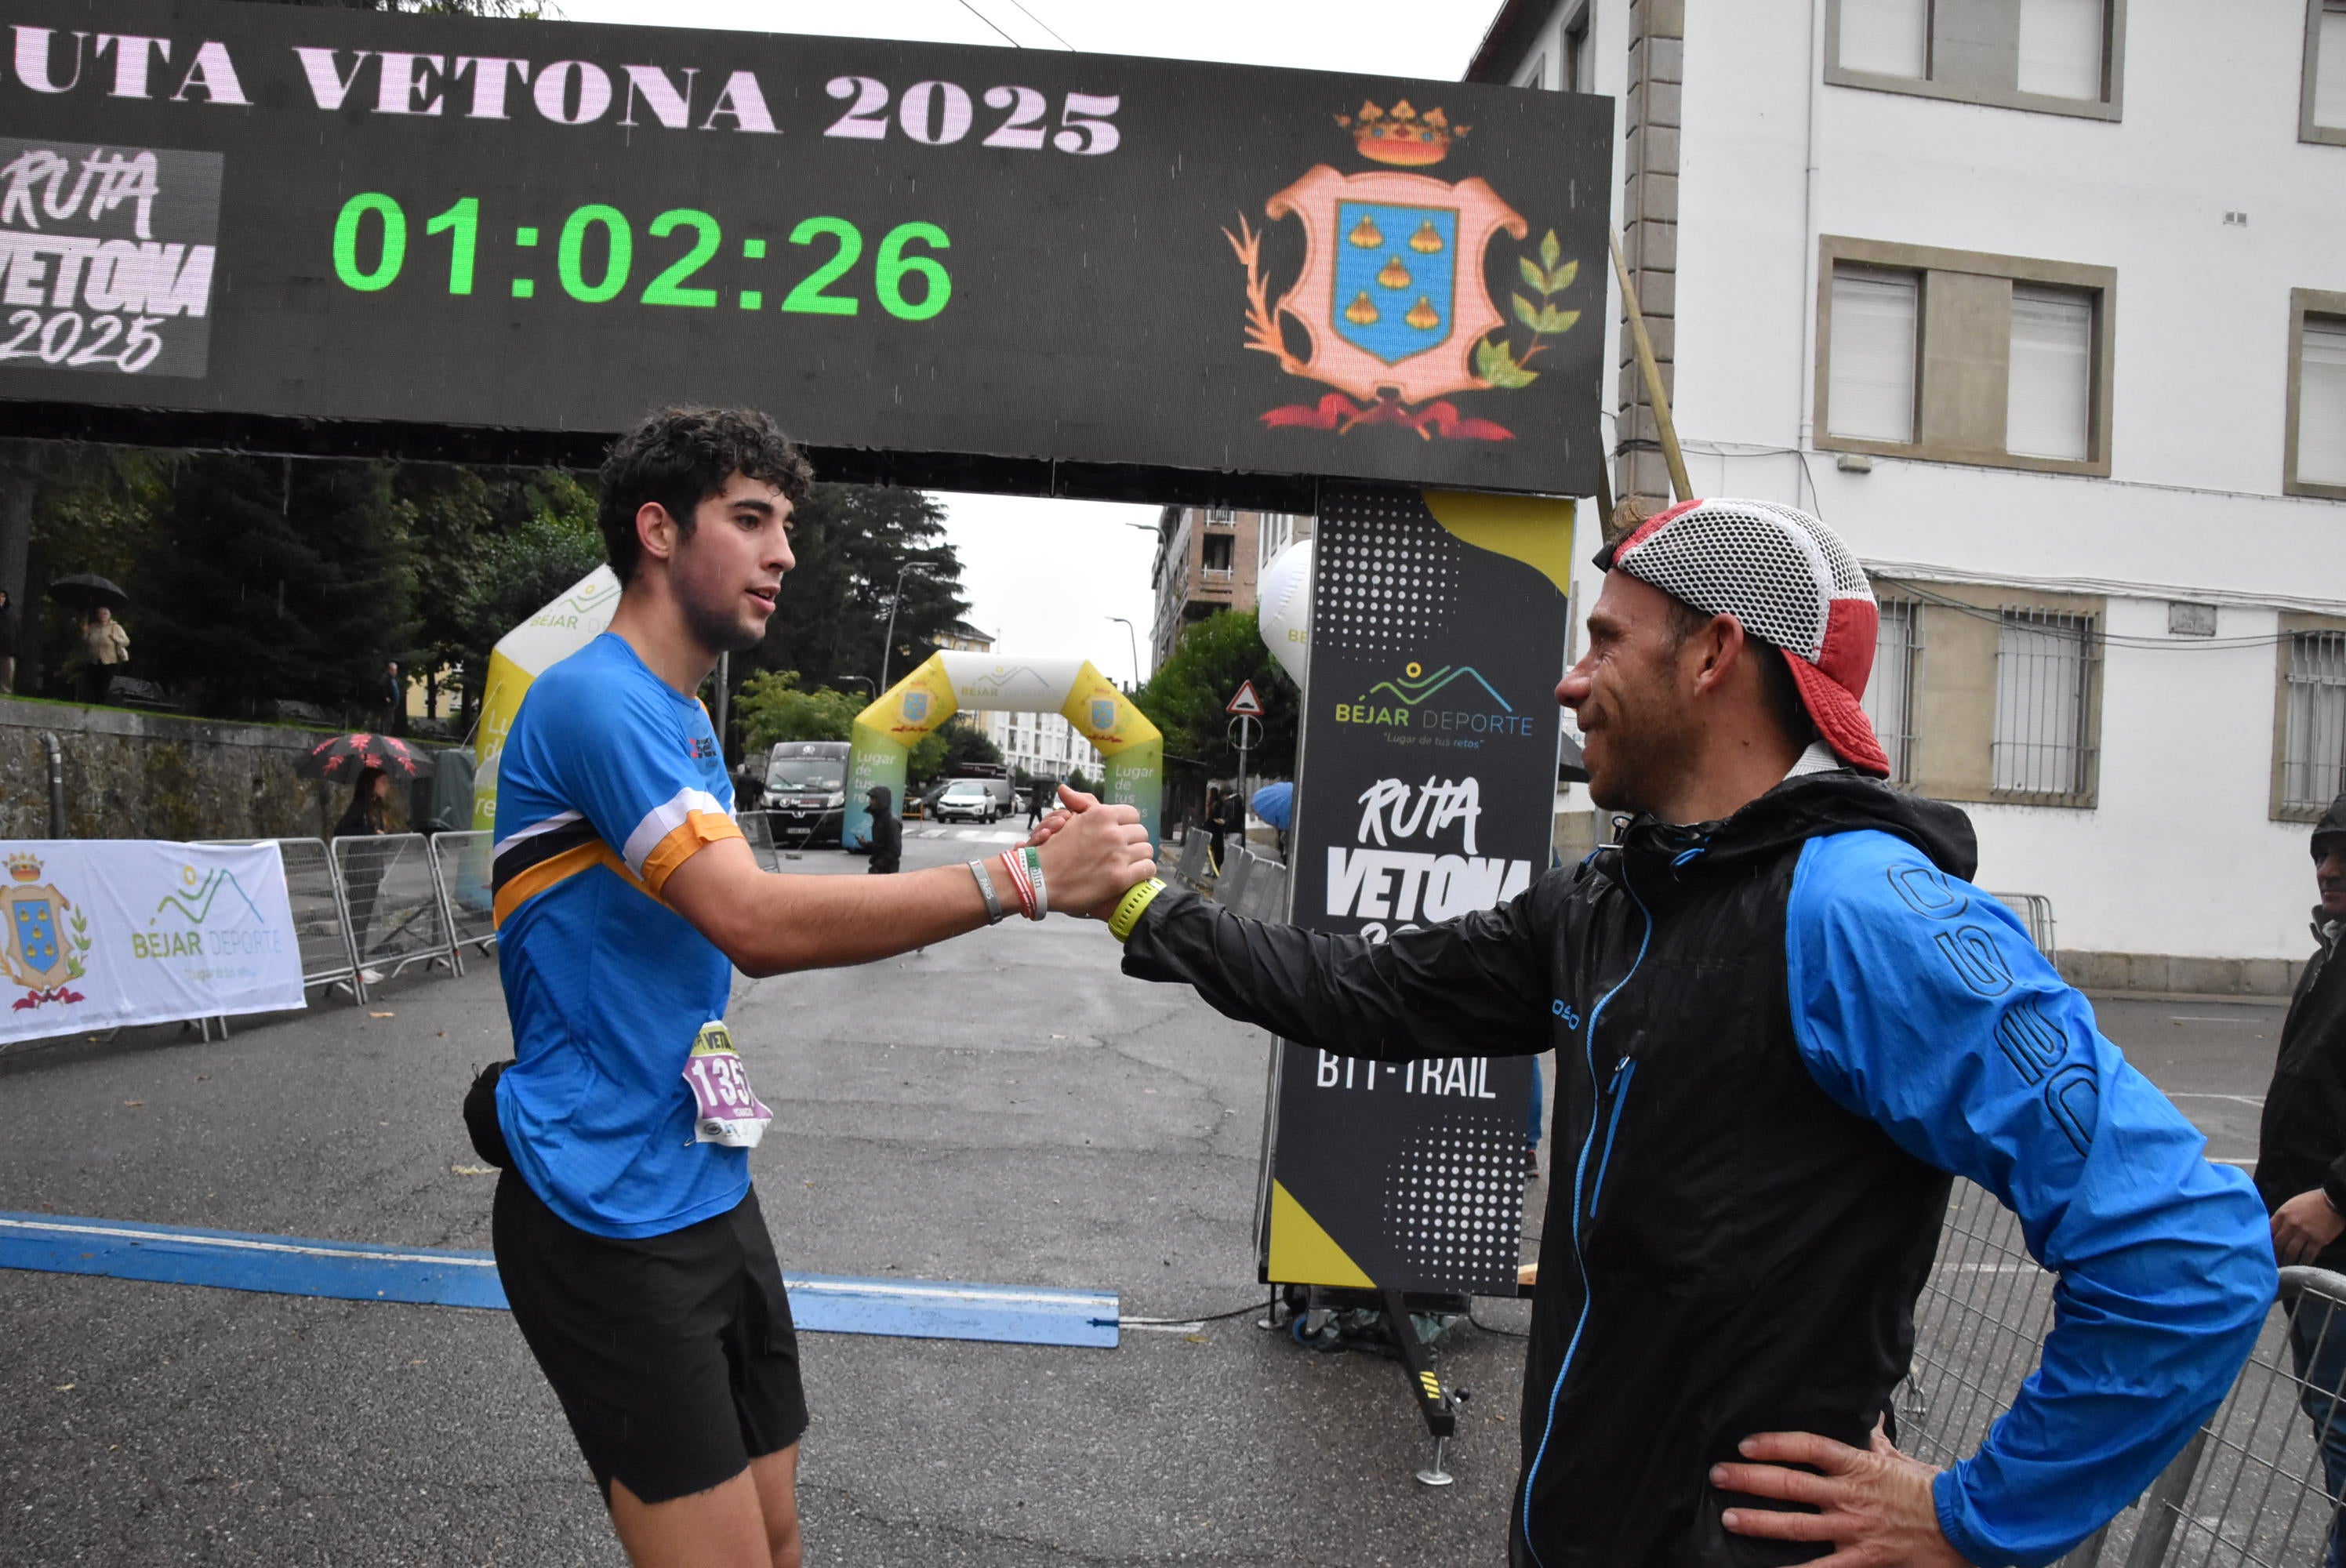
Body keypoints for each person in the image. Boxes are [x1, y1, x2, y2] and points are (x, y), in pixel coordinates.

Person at [1059, 498, 2275, 1567]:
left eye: (1603, 640)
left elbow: (2187, 1249)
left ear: (1713, 654)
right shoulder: (1614, 894)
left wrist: (1973, 1519)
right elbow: (1362, 995)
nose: (1567, 681)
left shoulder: (1862, 912)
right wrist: (1139, 907)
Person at [482, 405, 1154, 1568]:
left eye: (785, 524)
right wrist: (1023, 878)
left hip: (702, 1184)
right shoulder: (596, 699)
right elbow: (752, 919)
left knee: (782, 1540)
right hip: (599, 1211)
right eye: (751, 520)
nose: (784, 553)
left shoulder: (684, 713)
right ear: (656, 529)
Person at [2257, 792, 2346, 1568]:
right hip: (2310, 1255)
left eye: (2345, 852)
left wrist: (2338, 1195)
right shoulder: (2334, 950)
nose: (2327, 868)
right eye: (2321, 849)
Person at [333, 765, 393, 983]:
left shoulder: (375, 808)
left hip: (372, 867)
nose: (387, 786)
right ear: (372, 784)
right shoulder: (360, 806)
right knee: (358, 917)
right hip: (360, 868)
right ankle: (355, 966)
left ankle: (360, 961)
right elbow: (340, 830)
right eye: (383, 781)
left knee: (365, 918)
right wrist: (369, 833)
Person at [78, 604, 127, 704]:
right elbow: (84, 642)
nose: (103, 615)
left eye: (105, 614)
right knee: (91, 682)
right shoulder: (92, 627)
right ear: (96, 615)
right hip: (93, 660)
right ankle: (91, 703)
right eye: (100, 613)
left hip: (109, 661)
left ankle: (101, 703)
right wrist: (85, 633)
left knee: (104, 683)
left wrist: (116, 639)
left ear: (109, 616)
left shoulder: (115, 627)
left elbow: (126, 641)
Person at [858, 783, 902, 874]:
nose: (870, 802)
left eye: (873, 799)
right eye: (870, 799)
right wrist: (866, 845)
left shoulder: (891, 822)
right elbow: (881, 845)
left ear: (882, 801)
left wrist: (878, 865)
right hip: (880, 869)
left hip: (887, 872)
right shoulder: (879, 819)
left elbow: (895, 851)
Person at [1203, 785, 1226, 875]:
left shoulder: (1217, 804)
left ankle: (1215, 870)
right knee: (1211, 851)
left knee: (1215, 851)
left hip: (1215, 831)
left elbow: (1214, 817)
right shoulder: (1214, 803)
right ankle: (1212, 870)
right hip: (1213, 830)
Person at [0, 585, 17, 695]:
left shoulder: (10, 613)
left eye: (3, 596)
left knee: (7, 675)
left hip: (7, 650)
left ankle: (5, 695)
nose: (1, 598)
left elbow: (14, 632)